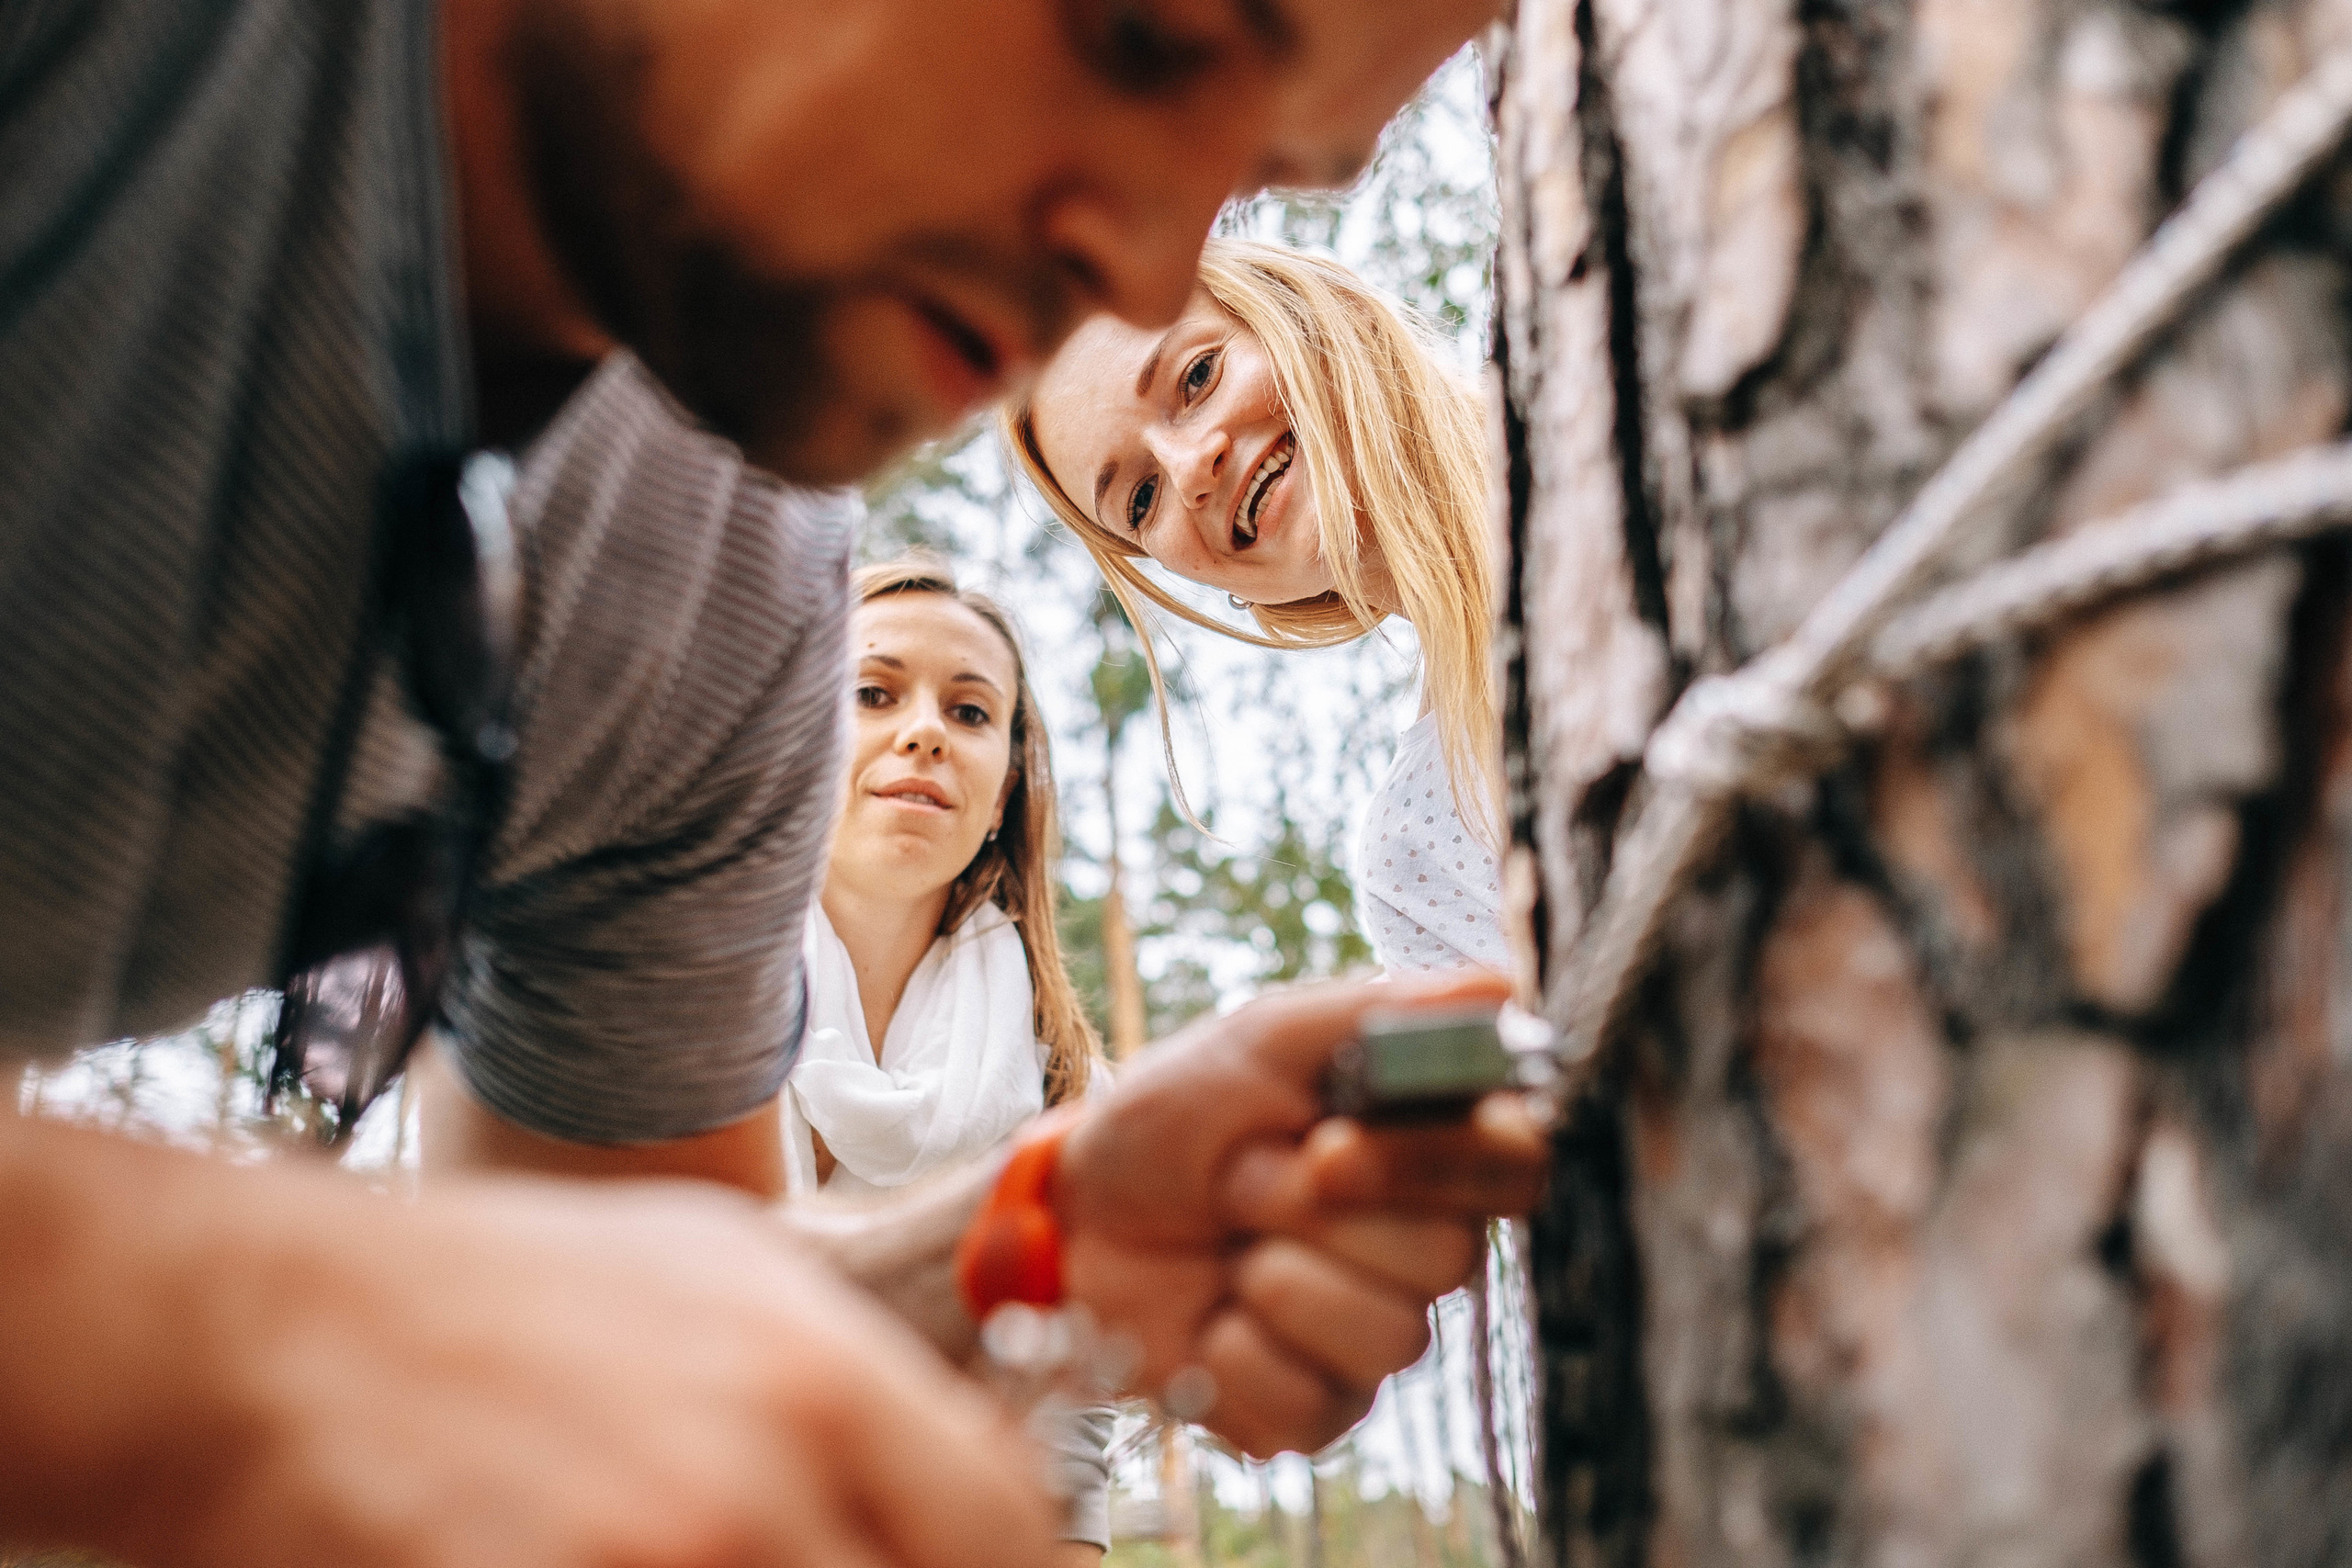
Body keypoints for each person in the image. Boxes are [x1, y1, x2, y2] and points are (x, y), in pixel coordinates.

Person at [0, 0, 1543, 1562]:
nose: (1140, 271)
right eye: (1139, 42)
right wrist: (272, 1349)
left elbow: (622, 1307)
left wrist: (1024, 1246)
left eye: (1261, 172)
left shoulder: (722, 597)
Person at [1008, 239, 1509, 973]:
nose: (1189, 471)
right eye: (1141, 499)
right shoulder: (1421, 861)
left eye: (1198, 376)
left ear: (1296, 304)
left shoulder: (1640, 373)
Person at [784, 559, 1113, 1561]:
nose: (922, 729)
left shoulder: (1063, 1079)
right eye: (873, 693)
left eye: (969, 713)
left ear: (1005, 783)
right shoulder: (667, 988)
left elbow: (1071, 1421)